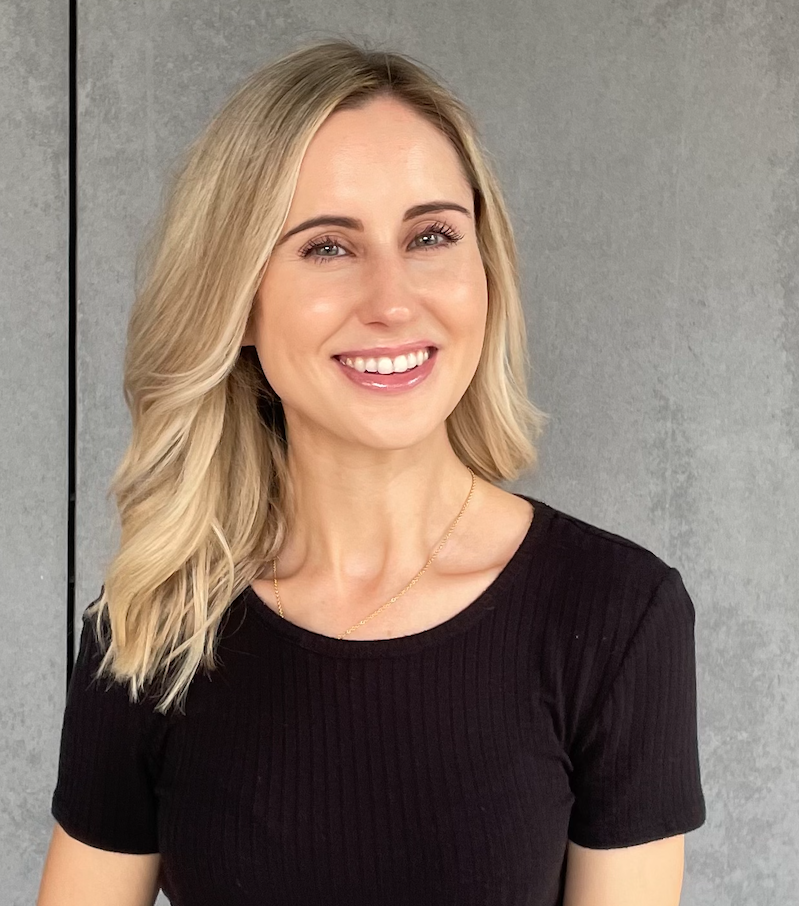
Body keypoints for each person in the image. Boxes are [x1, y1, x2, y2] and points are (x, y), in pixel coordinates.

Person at [37, 37, 706, 906]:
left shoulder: (619, 617)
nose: (393, 301)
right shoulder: (153, 628)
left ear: (485, 273)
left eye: (431, 236)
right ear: (237, 301)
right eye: (327, 247)